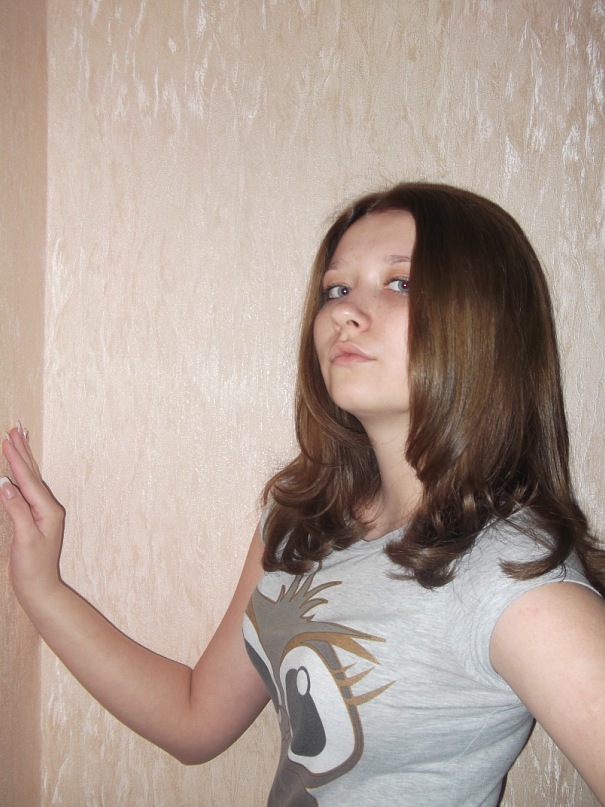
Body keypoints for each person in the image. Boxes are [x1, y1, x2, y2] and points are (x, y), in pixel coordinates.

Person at [1, 182, 604, 807]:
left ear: (486, 324)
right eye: (336, 289)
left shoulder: (514, 580)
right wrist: (43, 589)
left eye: (400, 283)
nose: (345, 312)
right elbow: (194, 720)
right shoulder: (302, 523)